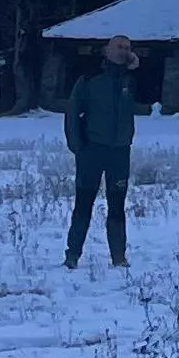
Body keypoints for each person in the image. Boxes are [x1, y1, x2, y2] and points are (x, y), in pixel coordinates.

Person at [63, 35, 140, 267]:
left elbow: (153, 98)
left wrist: (136, 70)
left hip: (119, 152)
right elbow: (73, 112)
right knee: (84, 203)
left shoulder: (131, 79)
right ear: (107, 50)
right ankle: (73, 255)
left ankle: (118, 255)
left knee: (117, 205)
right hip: (91, 150)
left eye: (127, 48)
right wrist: (77, 146)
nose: (123, 51)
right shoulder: (89, 79)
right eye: (118, 47)